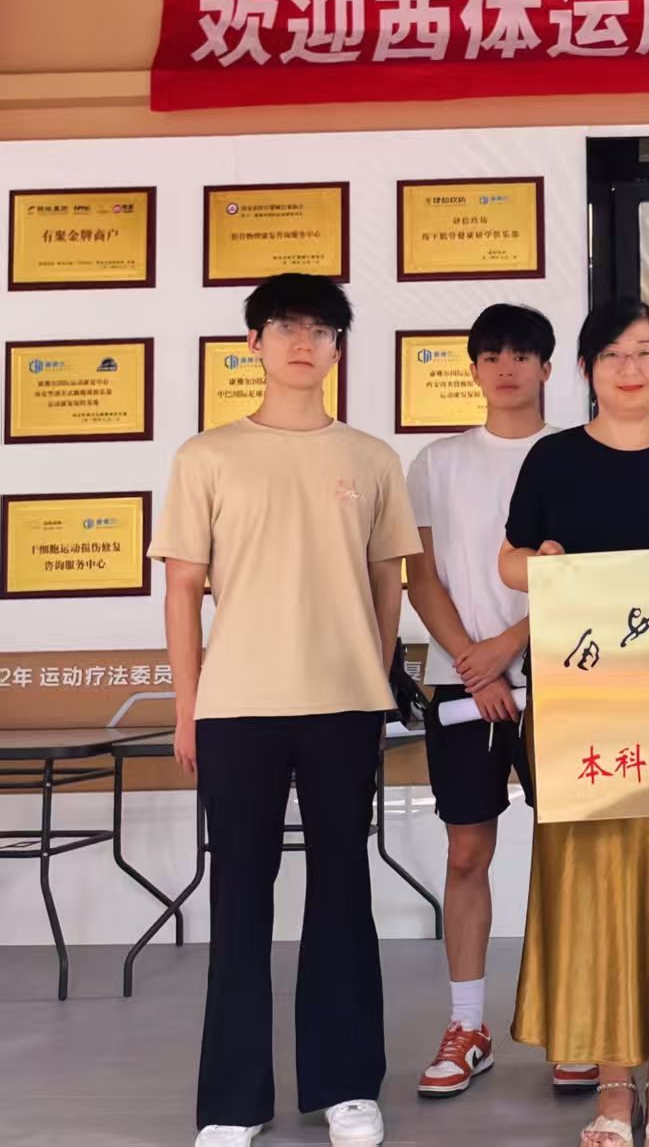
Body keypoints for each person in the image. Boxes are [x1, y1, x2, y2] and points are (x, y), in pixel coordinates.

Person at [151, 273, 421, 1147]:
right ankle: (233, 1100)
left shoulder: (371, 458)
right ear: (254, 343)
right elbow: (183, 588)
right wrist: (188, 707)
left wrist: (374, 672)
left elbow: (388, 578)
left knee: (342, 889)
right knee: (240, 899)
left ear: (339, 348)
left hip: (344, 704)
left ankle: (347, 1085)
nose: (304, 342)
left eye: (321, 329)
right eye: (285, 326)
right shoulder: (208, 456)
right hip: (237, 707)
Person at [499, 302, 649, 1147]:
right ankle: (610, 1083)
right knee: (589, 886)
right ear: (586, 369)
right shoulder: (554, 457)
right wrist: (540, 565)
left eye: (645, 351)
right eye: (611, 353)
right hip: (579, 701)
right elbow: (509, 556)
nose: (630, 367)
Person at [406, 304, 591, 1099]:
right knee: (466, 852)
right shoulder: (436, 462)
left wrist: (509, 648)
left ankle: (577, 1022)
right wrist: (474, 666)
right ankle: (467, 1025)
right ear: (474, 368)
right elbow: (420, 575)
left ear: (548, 368)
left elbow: (583, 574)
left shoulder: (577, 456)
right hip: (462, 678)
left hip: (563, 674)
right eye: (491, 355)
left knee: (570, 855)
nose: (507, 367)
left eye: (522, 354)